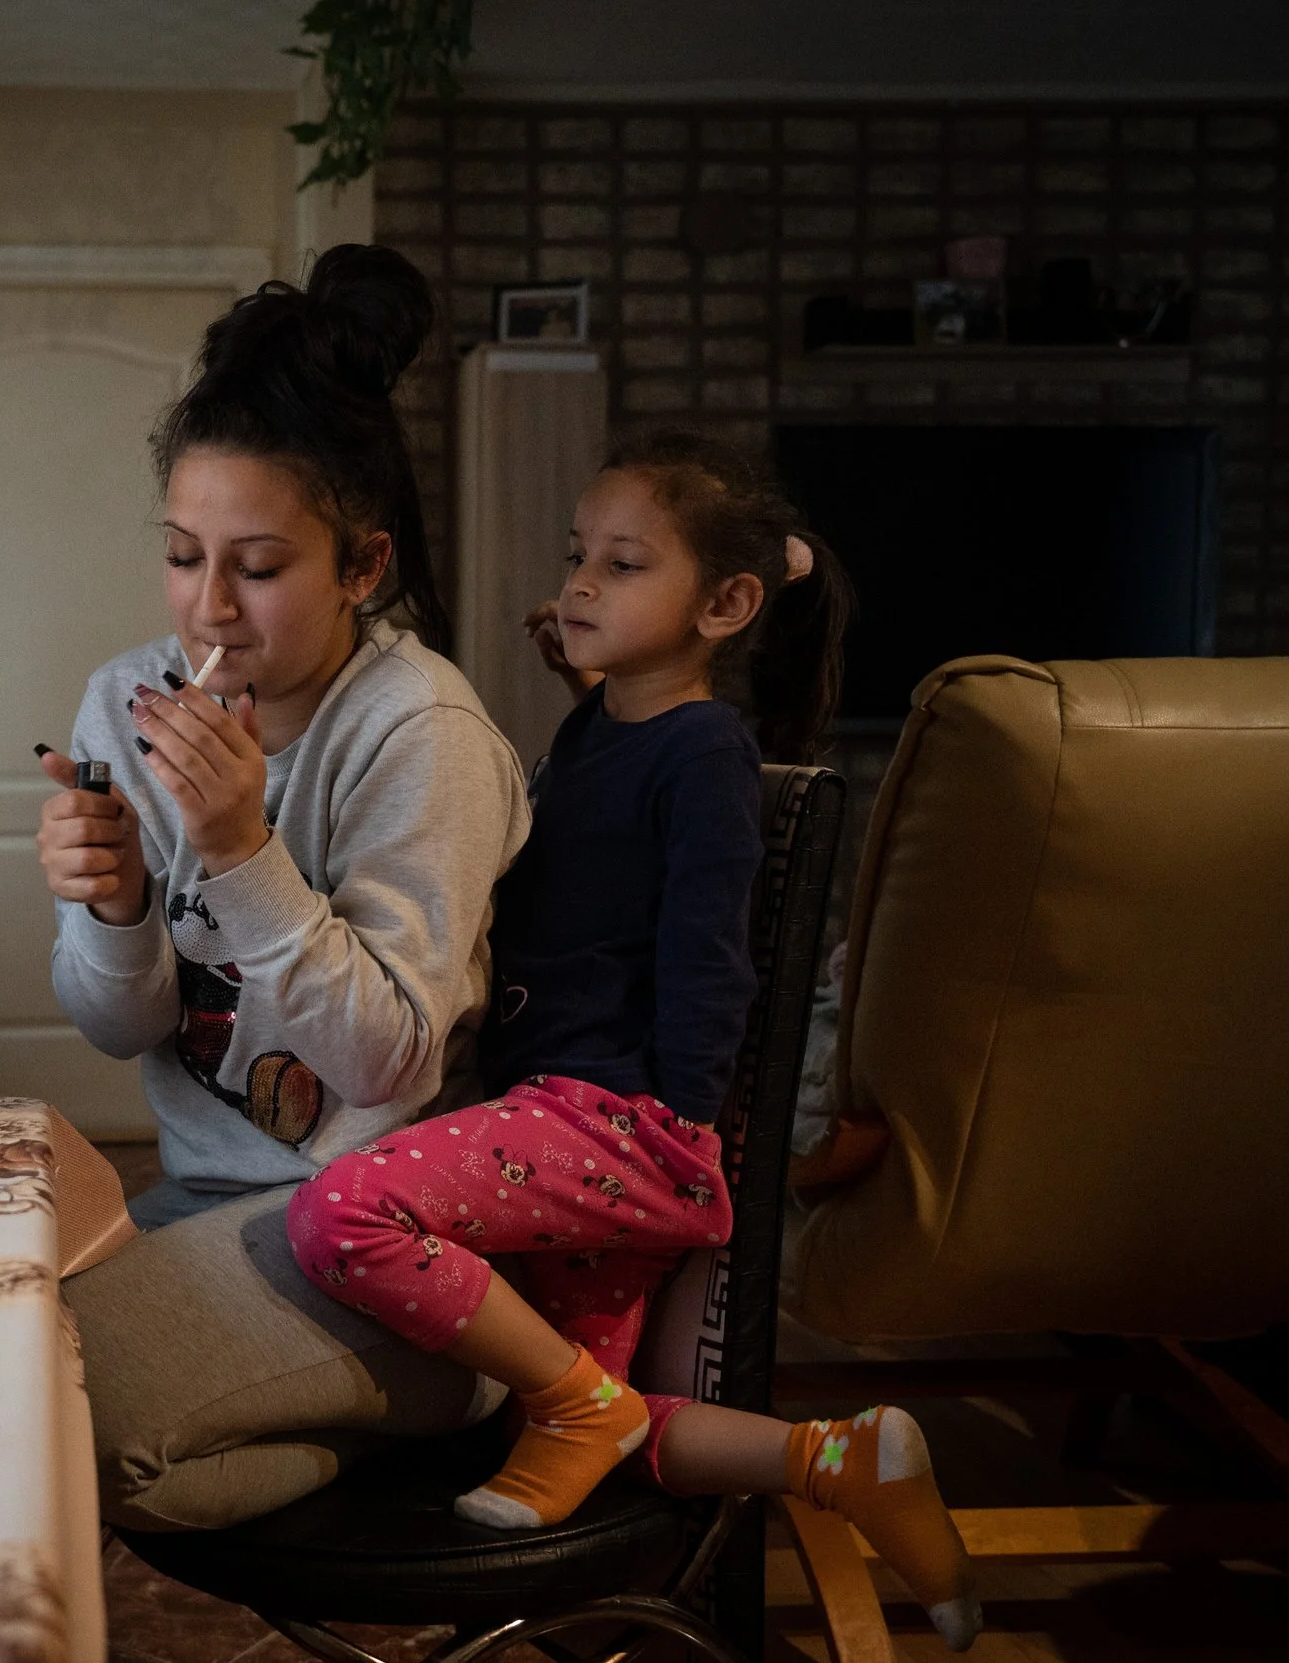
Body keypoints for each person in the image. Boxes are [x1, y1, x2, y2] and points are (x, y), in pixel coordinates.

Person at [286, 432, 981, 1651]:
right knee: (602, 1419)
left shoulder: (704, 753)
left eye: (621, 563)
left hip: (612, 1121)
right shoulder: (598, 734)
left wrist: (681, 1133)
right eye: (576, 558)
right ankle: (842, 1464)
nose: (582, 585)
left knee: (343, 1213)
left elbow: (710, 958)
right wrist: (576, 675)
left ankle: (582, 1410)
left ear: (723, 605)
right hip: (570, 1114)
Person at [44, 246, 533, 1529]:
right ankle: (322, 1428)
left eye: (257, 567)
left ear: (362, 565)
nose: (209, 610)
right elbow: (118, 1028)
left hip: (389, 1242)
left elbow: (389, 1061)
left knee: (53, 1421)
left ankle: (440, 1409)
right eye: (181, 555)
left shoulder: (419, 734)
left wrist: (241, 850)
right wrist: (112, 908)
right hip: (203, 1204)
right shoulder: (127, 698)